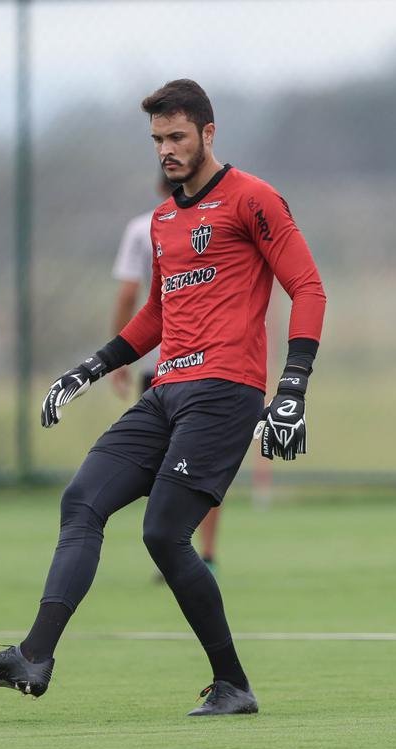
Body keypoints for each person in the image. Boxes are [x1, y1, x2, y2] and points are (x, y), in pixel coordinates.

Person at [0, 79, 326, 716]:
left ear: (208, 134)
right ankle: (35, 655)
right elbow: (158, 315)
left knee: (163, 532)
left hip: (225, 393)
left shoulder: (254, 199)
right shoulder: (162, 221)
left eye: (177, 136)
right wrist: (91, 367)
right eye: (158, 139)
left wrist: (292, 388)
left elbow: (308, 288)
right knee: (82, 500)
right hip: (165, 392)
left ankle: (233, 685)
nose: (166, 149)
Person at [110, 174, 223, 575]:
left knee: (163, 462)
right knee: (206, 461)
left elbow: (129, 294)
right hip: (211, 361)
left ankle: (172, 549)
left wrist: (119, 356)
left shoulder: (143, 227)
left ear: (160, 187)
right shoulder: (217, 220)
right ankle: (205, 554)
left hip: (158, 363)